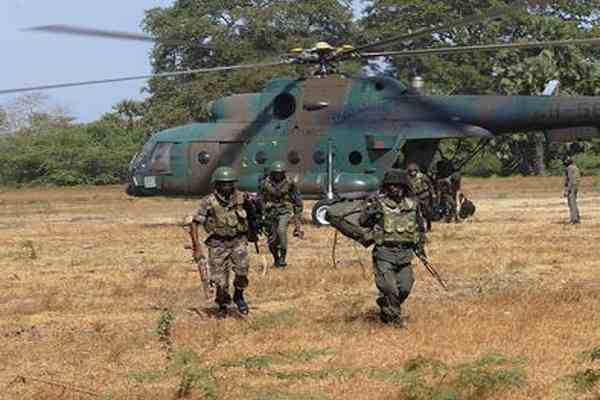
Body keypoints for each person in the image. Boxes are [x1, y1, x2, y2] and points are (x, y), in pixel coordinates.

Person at [359, 169, 426, 326]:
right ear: (386, 188)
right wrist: (370, 212)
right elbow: (362, 222)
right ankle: (394, 319)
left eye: (398, 186)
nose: (395, 189)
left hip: (405, 253)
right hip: (384, 252)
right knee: (389, 288)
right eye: (391, 186)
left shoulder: (412, 205)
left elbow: (419, 228)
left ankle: (386, 305)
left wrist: (421, 248)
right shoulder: (379, 204)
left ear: (404, 187)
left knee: (405, 287)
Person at [188, 166, 251, 319]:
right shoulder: (208, 201)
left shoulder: (242, 198)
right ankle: (222, 304)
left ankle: (238, 296)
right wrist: (197, 247)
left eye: (229, 183)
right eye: (223, 183)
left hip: (238, 241)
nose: (226, 187)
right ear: (216, 184)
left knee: (242, 273)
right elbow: (195, 223)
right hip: (217, 244)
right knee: (219, 280)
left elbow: (254, 215)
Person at [258, 161, 303, 267]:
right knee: (272, 239)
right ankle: (276, 259)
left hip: (284, 211)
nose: (278, 175)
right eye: (276, 173)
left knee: (281, 231)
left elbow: (297, 200)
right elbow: (260, 198)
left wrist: (297, 219)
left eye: (280, 173)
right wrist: (261, 213)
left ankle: (283, 258)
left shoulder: (290, 182)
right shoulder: (265, 183)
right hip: (270, 212)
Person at [407, 162, 436, 231]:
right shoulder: (407, 178)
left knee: (426, 211)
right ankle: (419, 227)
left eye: (414, 171)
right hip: (413, 196)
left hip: (424, 195)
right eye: (411, 171)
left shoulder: (422, 176)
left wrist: (433, 193)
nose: (412, 173)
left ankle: (428, 224)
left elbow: (430, 185)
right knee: (414, 212)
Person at [563, 156, 581, 224]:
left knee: (571, 203)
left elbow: (570, 179)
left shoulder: (569, 168)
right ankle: (576, 218)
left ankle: (574, 219)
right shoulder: (575, 167)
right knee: (574, 202)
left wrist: (567, 190)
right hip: (575, 186)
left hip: (572, 186)